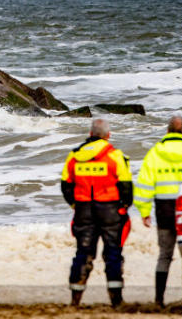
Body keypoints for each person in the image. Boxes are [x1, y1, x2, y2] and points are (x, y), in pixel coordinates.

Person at [61, 118, 133, 308]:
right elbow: (126, 187)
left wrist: (75, 205)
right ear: (108, 135)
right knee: (113, 254)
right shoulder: (115, 155)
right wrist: (124, 206)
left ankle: (75, 299)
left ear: (91, 134)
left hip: (84, 210)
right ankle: (116, 300)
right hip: (110, 210)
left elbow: (65, 186)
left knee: (83, 253)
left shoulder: (74, 156)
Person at [135, 116, 182, 307]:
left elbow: (144, 186)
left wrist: (144, 210)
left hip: (163, 211)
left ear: (167, 132)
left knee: (164, 254)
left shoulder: (155, 154)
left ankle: (159, 299)